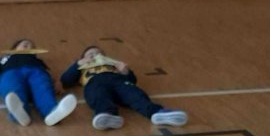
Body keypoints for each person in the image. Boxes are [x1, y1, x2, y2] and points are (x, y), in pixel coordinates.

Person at [60, 46, 188, 130]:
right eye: (91, 54)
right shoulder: (81, 66)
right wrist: (77, 64)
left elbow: (132, 81)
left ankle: (157, 113)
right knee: (98, 96)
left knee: (134, 94)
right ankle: (107, 115)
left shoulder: (112, 64)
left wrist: (126, 72)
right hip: (95, 82)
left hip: (118, 81)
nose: (96, 55)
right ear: (83, 58)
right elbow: (66, 80)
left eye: (99, 53)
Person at [0, 39, 77, 127]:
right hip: (11, 73)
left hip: (36, 72)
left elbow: (48, 73)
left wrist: (57, 82)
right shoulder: (4, 59)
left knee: (43, 87)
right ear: (15, 48)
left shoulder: (38, 61)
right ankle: (21, 112)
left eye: (32, 47)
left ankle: (52, 112)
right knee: (12, 88)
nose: (29, 46)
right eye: (25, 44)